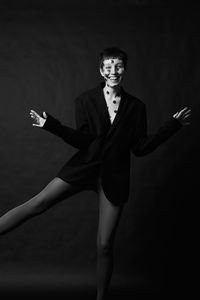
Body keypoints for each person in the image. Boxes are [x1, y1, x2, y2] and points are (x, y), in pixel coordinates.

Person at [0, 47, 191, 300]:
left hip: (115, 176)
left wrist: (171, 126)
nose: (114, 71)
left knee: (104, 245)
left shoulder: (136, 107)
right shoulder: (85, 100)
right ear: (101, 70)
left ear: (124, 70)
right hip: (85, 166)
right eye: (109, 66)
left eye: (119, 66)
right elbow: (83, 140)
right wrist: (51, 126)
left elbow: (140, 148)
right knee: (38, 203)